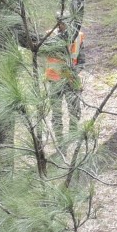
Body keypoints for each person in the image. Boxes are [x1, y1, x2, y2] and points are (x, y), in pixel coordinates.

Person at [44, 14, 85, 143]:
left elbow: (82, 60)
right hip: (54, 80)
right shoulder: (49, 36)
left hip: (71, 80)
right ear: (58, 23)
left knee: (74, 112)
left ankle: (72, 138)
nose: (66, 25)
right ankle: (60, 141)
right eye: (63, 22)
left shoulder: (78, 36)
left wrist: (73, 73)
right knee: (56, 114)